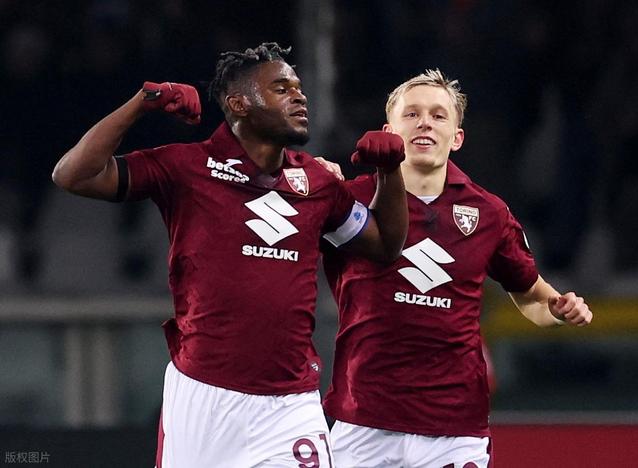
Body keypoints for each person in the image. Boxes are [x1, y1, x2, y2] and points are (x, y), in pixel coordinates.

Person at [52, 42, 408, 467]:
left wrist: (390, 172)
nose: (299, 96)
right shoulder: (186, 167)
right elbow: (73, 175)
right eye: (281, 88)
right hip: (204, 398)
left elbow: (385, 246)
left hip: (291, 404)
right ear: (239, 104)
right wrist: (141, 103)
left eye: (298, 87)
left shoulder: (317, 182)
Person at [319, 69, 593, 468]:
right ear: (389, 131)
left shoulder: (489, 213)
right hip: (363, 423)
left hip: (455, 430)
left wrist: (558, 310)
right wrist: (307, 182)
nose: (425, 122)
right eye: (412, 114)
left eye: (438, 115)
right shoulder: (348, 200)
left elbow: (533, 297)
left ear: (457, 137)